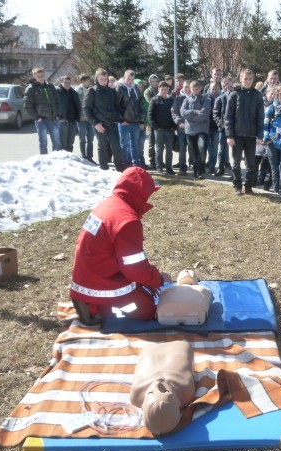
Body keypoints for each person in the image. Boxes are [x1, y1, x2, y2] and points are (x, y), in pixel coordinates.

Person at [70, 167, 171, 323]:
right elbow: (134, 268)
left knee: (147, 288)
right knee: (149, 310)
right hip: (100, 289)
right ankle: (99, 310)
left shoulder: (108, 205)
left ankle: (91, 304)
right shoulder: (127, 221)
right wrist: (159, 279)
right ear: (141, 193)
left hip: (85, 282)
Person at [224, 68, 265, 195]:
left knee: (251, 164)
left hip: (251, 136)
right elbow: (228, 117)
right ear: (241, 79)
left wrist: (260, 135)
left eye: (250, 79)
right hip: (236, 135)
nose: (248, 81)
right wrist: (229, 135)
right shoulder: (234, 95)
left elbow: (260, 117)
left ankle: (248, 186)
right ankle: (237, 186)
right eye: (245, 79)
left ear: (253, 80)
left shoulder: (257, 96)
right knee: (236, 163)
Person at [83, 68, 125, 172]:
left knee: (116, 146)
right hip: (99, 124)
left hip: (112, 124)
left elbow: (117, 107)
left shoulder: (112, 91)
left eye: (105, 79)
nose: (103, 81)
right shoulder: (92, 91)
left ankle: (120, 169)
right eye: (101, 79)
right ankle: (104, 168)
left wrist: (118, 118)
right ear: (97, 79)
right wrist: (95, 123)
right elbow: (86, 109)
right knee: (102, 146)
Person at [24, 66, 61, 154]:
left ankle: (57, 161)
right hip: (41, 120)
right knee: (43, 143)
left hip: (53, 118)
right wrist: (37, 117)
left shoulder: (50, 86)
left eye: (42, 76)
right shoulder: (30, 88)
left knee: (57, 143)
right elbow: (27, 105)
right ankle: (45, 162)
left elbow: (58, 101)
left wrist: (58, 114)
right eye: (38, 76)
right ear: (34, 76)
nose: (41, 78)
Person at [180, 80, 212, 179]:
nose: (195, 91)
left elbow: (204, 115)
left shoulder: (205, 100)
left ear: (200, 89)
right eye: (193, 89)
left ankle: (201, 168)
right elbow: (183, 113)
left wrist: (191, 117)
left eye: (197, 89)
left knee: (202, 149)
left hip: (202, 130)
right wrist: (194, 111)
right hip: (190, 131)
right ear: (190, 89)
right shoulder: (186, 100)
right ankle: (196, 171)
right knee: (193, 152)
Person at [117, 70, 146, 168]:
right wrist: (121, 120)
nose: (130, 81)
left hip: (135, 122)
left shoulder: (136, 89)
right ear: (124, 77)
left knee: (135, 145)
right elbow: (116, 106)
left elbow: (141, 106)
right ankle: (126, 164)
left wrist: (142, 120)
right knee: (124, 145)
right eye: (128, 79)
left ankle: (135, 164)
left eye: (132, 79)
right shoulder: (120, 88)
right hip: (124, 123)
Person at [148, 81, 177, 175]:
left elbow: (175, 114)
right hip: (159, 129)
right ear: (158, 89)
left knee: (169, 150)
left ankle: (169, 168)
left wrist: (174, 127)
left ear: (168, 89)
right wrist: (156, 127)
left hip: (169, 129)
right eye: (162, 89)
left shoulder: (171, 100)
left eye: (166, 89)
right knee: (159, 149)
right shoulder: (154, 100)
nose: (164, 91)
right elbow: (150, 115)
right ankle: (159, 167)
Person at [212, 76, 234, 177]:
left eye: (229, 83)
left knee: (235, 151)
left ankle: (234, 171)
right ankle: (220, 168)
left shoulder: (237, 96)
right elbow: (215, 113)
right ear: (222, 85)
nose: (227, 85)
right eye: (225, 83)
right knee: (222, 150)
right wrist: (220, 124)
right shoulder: (220, 98)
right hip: (223, 128)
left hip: (235, 128)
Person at [171, 80, 191, 174]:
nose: (186, 88)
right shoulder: (178, 98)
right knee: (182, 148)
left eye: (188, 87)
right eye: (184, 86)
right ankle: (182, 168)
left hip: (193, 128)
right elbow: (174, 112)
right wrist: (179, 122)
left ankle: (194, 166)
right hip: (182, 128)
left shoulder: (196, 97)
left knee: (193, 148)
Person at [57, 75, 81, 153]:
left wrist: (77, 117)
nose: (67, 84)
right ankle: (63, 161)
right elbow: (53, 106)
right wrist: (58, 116)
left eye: (69, 82)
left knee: (70, 143)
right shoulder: (57, 92)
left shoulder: (74, 92)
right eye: (65, 82)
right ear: (61, 82)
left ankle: (69, 160)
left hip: (73, 121)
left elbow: (78, 105)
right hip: (62, 121)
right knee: (63, 143)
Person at [74, 74, 95, 162]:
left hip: (90, 119)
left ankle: (90, 157)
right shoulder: (77, 91)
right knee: (82, 138)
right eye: (87, 81)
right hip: (81, 118)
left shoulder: (92, 90)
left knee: (90, 139)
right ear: (82, 81)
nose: (89, 83)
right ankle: (84, 156)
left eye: (89, 81)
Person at [144, 74, 161, 169]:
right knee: (151, 142)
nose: (155, 83)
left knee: (160, 143)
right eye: (153, 81)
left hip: (160, 120)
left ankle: (159, 161)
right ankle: (152, 161)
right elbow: (151, 102)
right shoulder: (147, 91)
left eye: (156, 81)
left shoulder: (160, 90)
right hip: (151, 121)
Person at [206, 81, 221, 175]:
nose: (215, 90)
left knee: (215, 148)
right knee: (207, 147)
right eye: (213, 89)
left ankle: (212, 166)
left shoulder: (221, 98)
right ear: (209, 89)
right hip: (206, 126)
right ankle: (208, 162)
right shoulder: (205, 98)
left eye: (216, 89)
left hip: (217, 127)